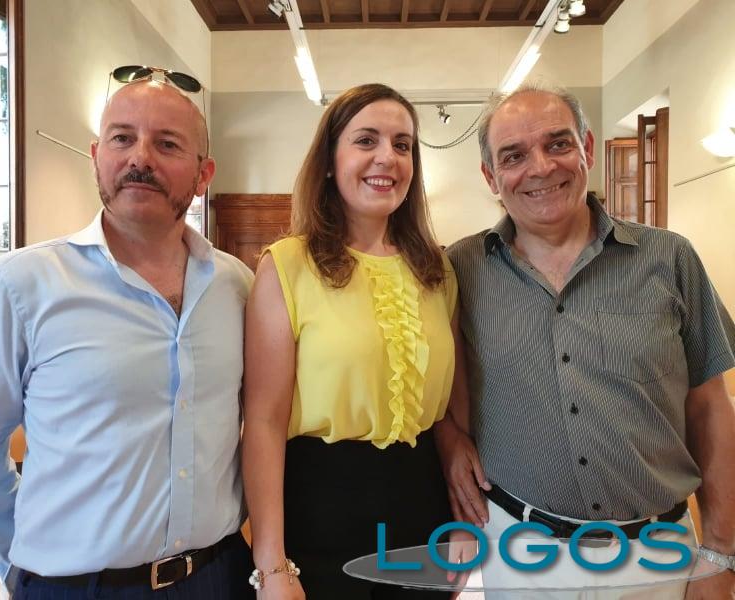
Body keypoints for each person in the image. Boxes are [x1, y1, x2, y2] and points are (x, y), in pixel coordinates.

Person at [0, 73, 256, 599]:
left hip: (219, 577)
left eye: (167, 144)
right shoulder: (18, 286)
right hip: (77, 587)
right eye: (122, 138)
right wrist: (27, 563)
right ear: (96, 156)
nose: (140, 158)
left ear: (204, 175)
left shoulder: (237, 286)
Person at [441, 82, 735, 599]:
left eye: (558, 143)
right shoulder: (461, 269)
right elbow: (444, 392)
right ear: (490, 176)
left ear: (588, 149)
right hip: (521, 554)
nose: (540, 167)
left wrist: (721, 552)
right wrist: (448, 440)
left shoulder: (670, 259)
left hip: (658, 557)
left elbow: (711, 407)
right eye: (514, 155)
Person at [242, 83, 460, 599]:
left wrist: (460, 526)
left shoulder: (437, 268)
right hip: (321, 514)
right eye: (366, 140)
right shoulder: (287, 265)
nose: (387, 157)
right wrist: (272, 564)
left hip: (423, 513)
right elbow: (264, 423)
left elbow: (449, 411)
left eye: (402, 145)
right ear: (329, 161)